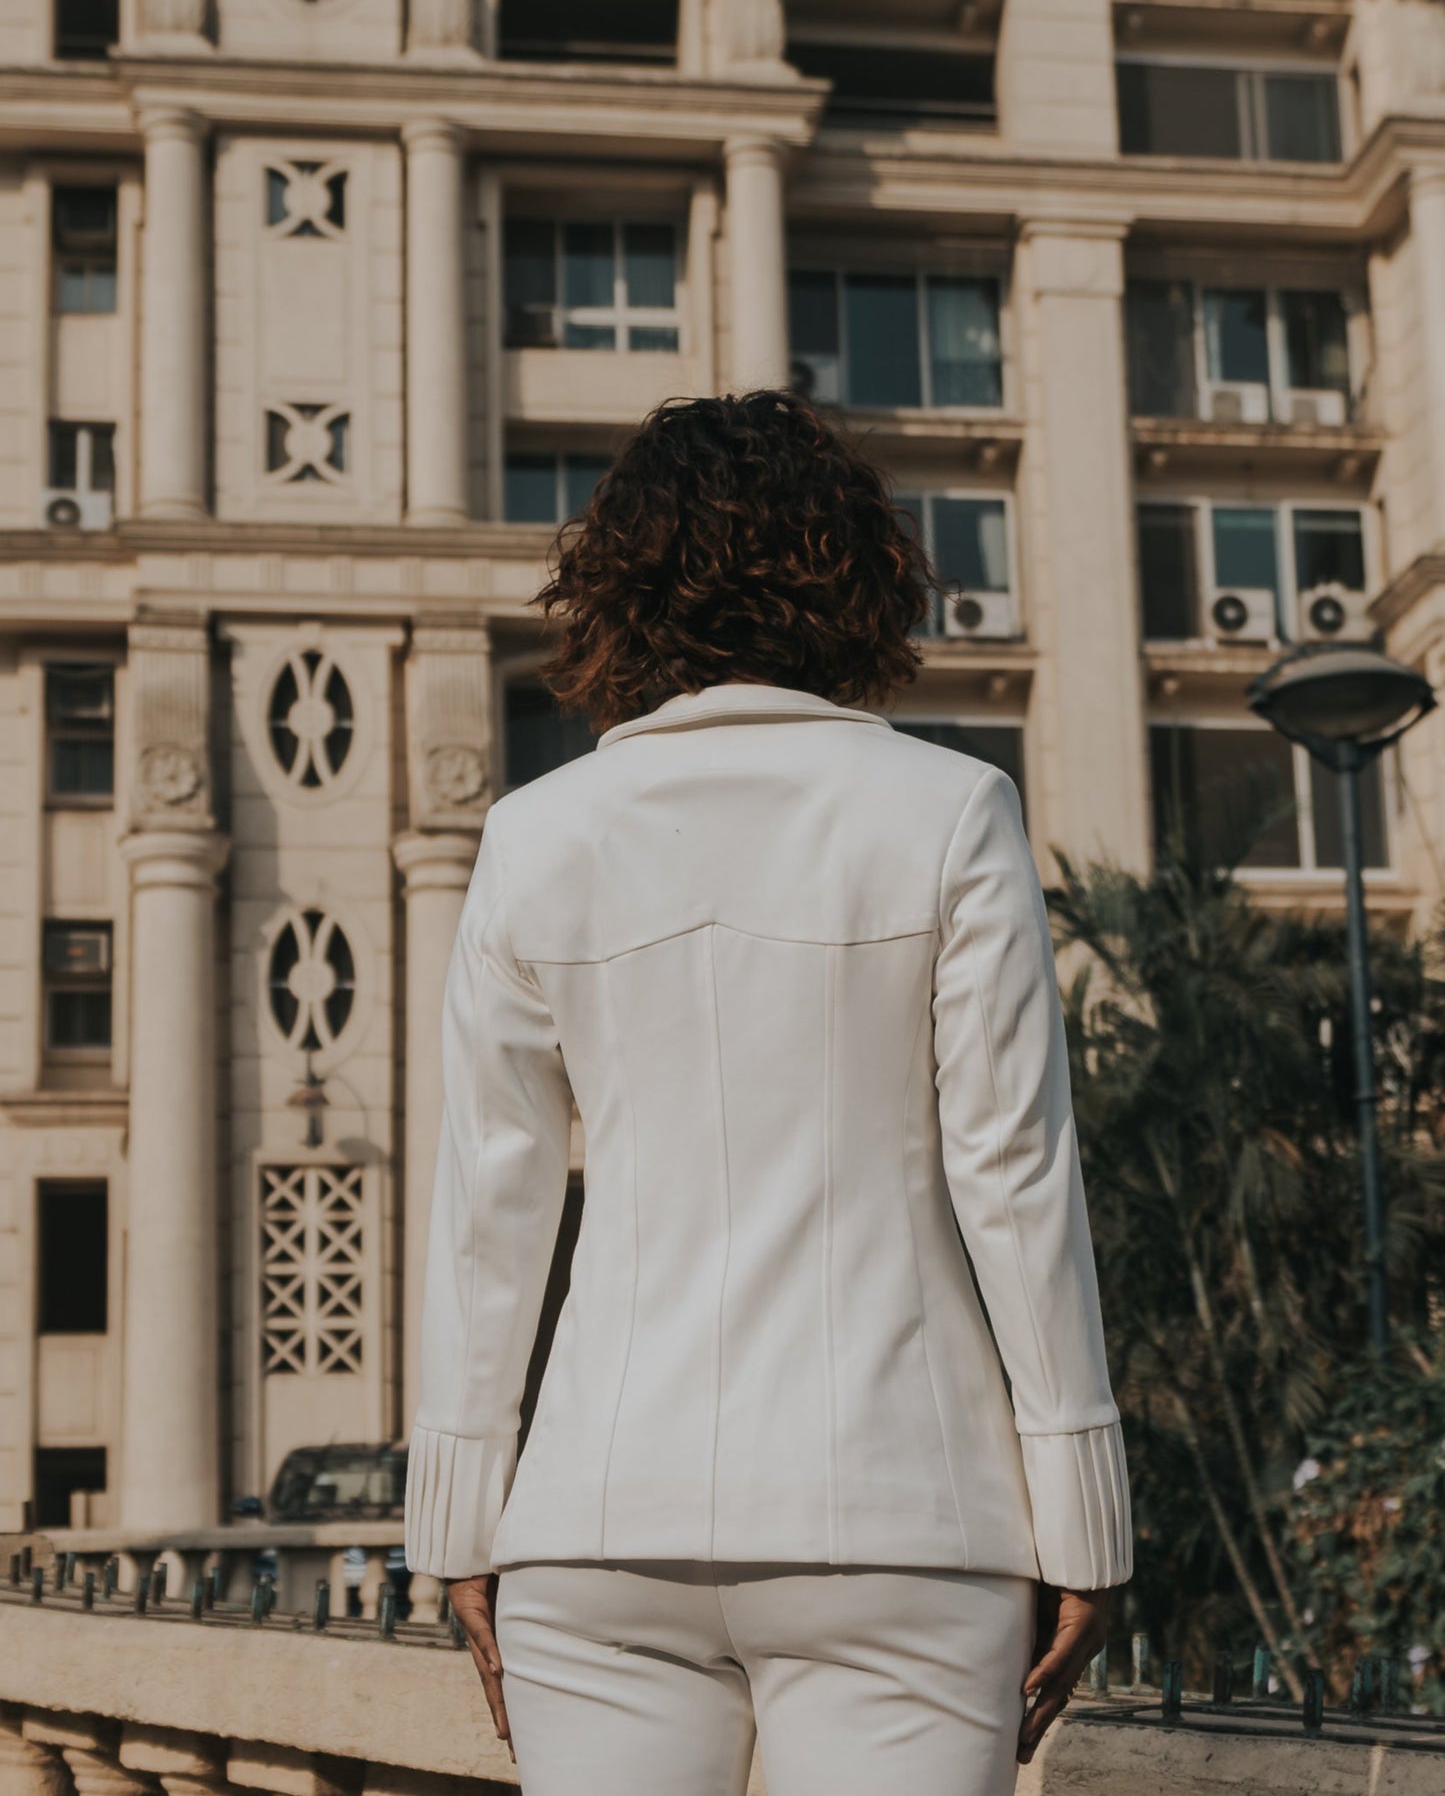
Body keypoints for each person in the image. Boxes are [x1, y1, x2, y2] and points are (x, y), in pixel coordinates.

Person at [403, 390, 1132, 1796]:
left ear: (615, 591)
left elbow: (490, 1206)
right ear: (859, 578)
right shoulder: (949, 810)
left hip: (595, 1523)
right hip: (905, 1517)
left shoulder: (532, 836)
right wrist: (1084, 1522)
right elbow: (1013, 1176)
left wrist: (458, 1524)